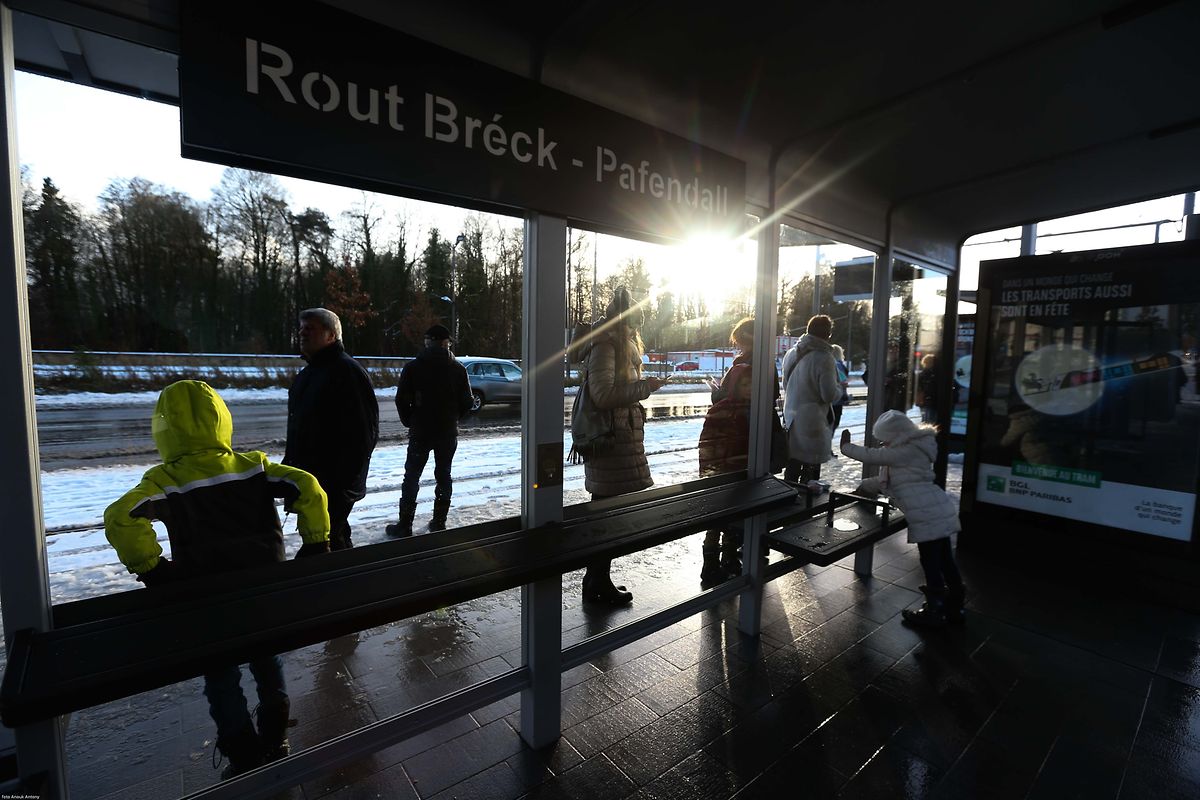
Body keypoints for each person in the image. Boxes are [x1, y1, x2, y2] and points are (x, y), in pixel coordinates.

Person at [104, 380, 331, 778]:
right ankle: (275, 735)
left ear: (164, 428)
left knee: (221, 678)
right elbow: (308, 486)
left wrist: (154, 570)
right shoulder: (253, 466)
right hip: (265, 599)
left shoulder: (163, 481)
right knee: (267, 660)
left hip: (208, 606)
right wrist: (314, 544)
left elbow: (121, 518)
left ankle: (242, 752)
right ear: (222, 420)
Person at [580, 287, 667, 605]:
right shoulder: (607, 346)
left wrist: (643, 387)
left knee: (610, 517)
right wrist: (644, 387)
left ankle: (598, 580)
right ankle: (597, 584)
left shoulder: (621, 344)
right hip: (611, 443)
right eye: (633, 325)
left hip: (620, 441)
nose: (636, 331)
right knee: (606, 517)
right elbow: (602, 395)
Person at [840, 410, 964, 627]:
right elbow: (888, 482)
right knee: (945, 560)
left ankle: (935, 610)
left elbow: (872, 455)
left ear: (897, 436)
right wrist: (863, 487)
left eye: (885, 440)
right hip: (937, 510)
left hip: (927, 516)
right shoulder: (911, 452)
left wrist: (846, 448)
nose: (882, 445)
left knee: (931, 562)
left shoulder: (904, 451)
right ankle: (955, 604)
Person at [284, 308, 379, 550]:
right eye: (301, 328)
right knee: (331, 540)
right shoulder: (309, 373)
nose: (303, 333)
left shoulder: (347, 373)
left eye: (311, 328)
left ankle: (339, 584)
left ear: (331, 335)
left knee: (322, 543)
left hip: (332, 486)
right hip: (312, 482)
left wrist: (341, 487)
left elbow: (363, 436)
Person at [697, 317, 780, 584]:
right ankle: (715, 560)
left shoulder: (758, 366)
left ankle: (729, 556)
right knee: (724, 515)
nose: (741, 344)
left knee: (737, 511)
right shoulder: (729, 409)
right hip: (727, 468)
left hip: (742, 461)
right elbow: (709, 445)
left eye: (744, 339)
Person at [387, 324, 473, 537]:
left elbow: (401, 400)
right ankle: (439, 522)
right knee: (444, 475)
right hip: (447, 433)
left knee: (412, 477)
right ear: (447, 343)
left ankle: (405, 524)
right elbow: (468, 401)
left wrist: (410, 421)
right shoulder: (458, 369)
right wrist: (454, 419)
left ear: (427, 342)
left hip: (421, 432)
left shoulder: (414, 368)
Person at [780, 314, 841, 485]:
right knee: (811, 471)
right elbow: (828, 395)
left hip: (791, 417)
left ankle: (788, 501)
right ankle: (808, 507)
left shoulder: (791, 354)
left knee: (792, 466)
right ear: (828, 334)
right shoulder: (824, 358)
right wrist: (840, 390)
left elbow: (786, 385)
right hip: (813, 422)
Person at [831, 343, 851, 429]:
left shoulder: (831, 363)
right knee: (833, 424)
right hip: (837, 399)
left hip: (831, 400)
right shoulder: (838, 365)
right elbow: (843, 381)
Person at [916, 353, 939, 423]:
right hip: (933, 400)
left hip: (926, 400)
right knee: (931, 418)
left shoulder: (923, 374)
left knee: (926, 418)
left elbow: (920, 389)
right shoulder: (936, 374)